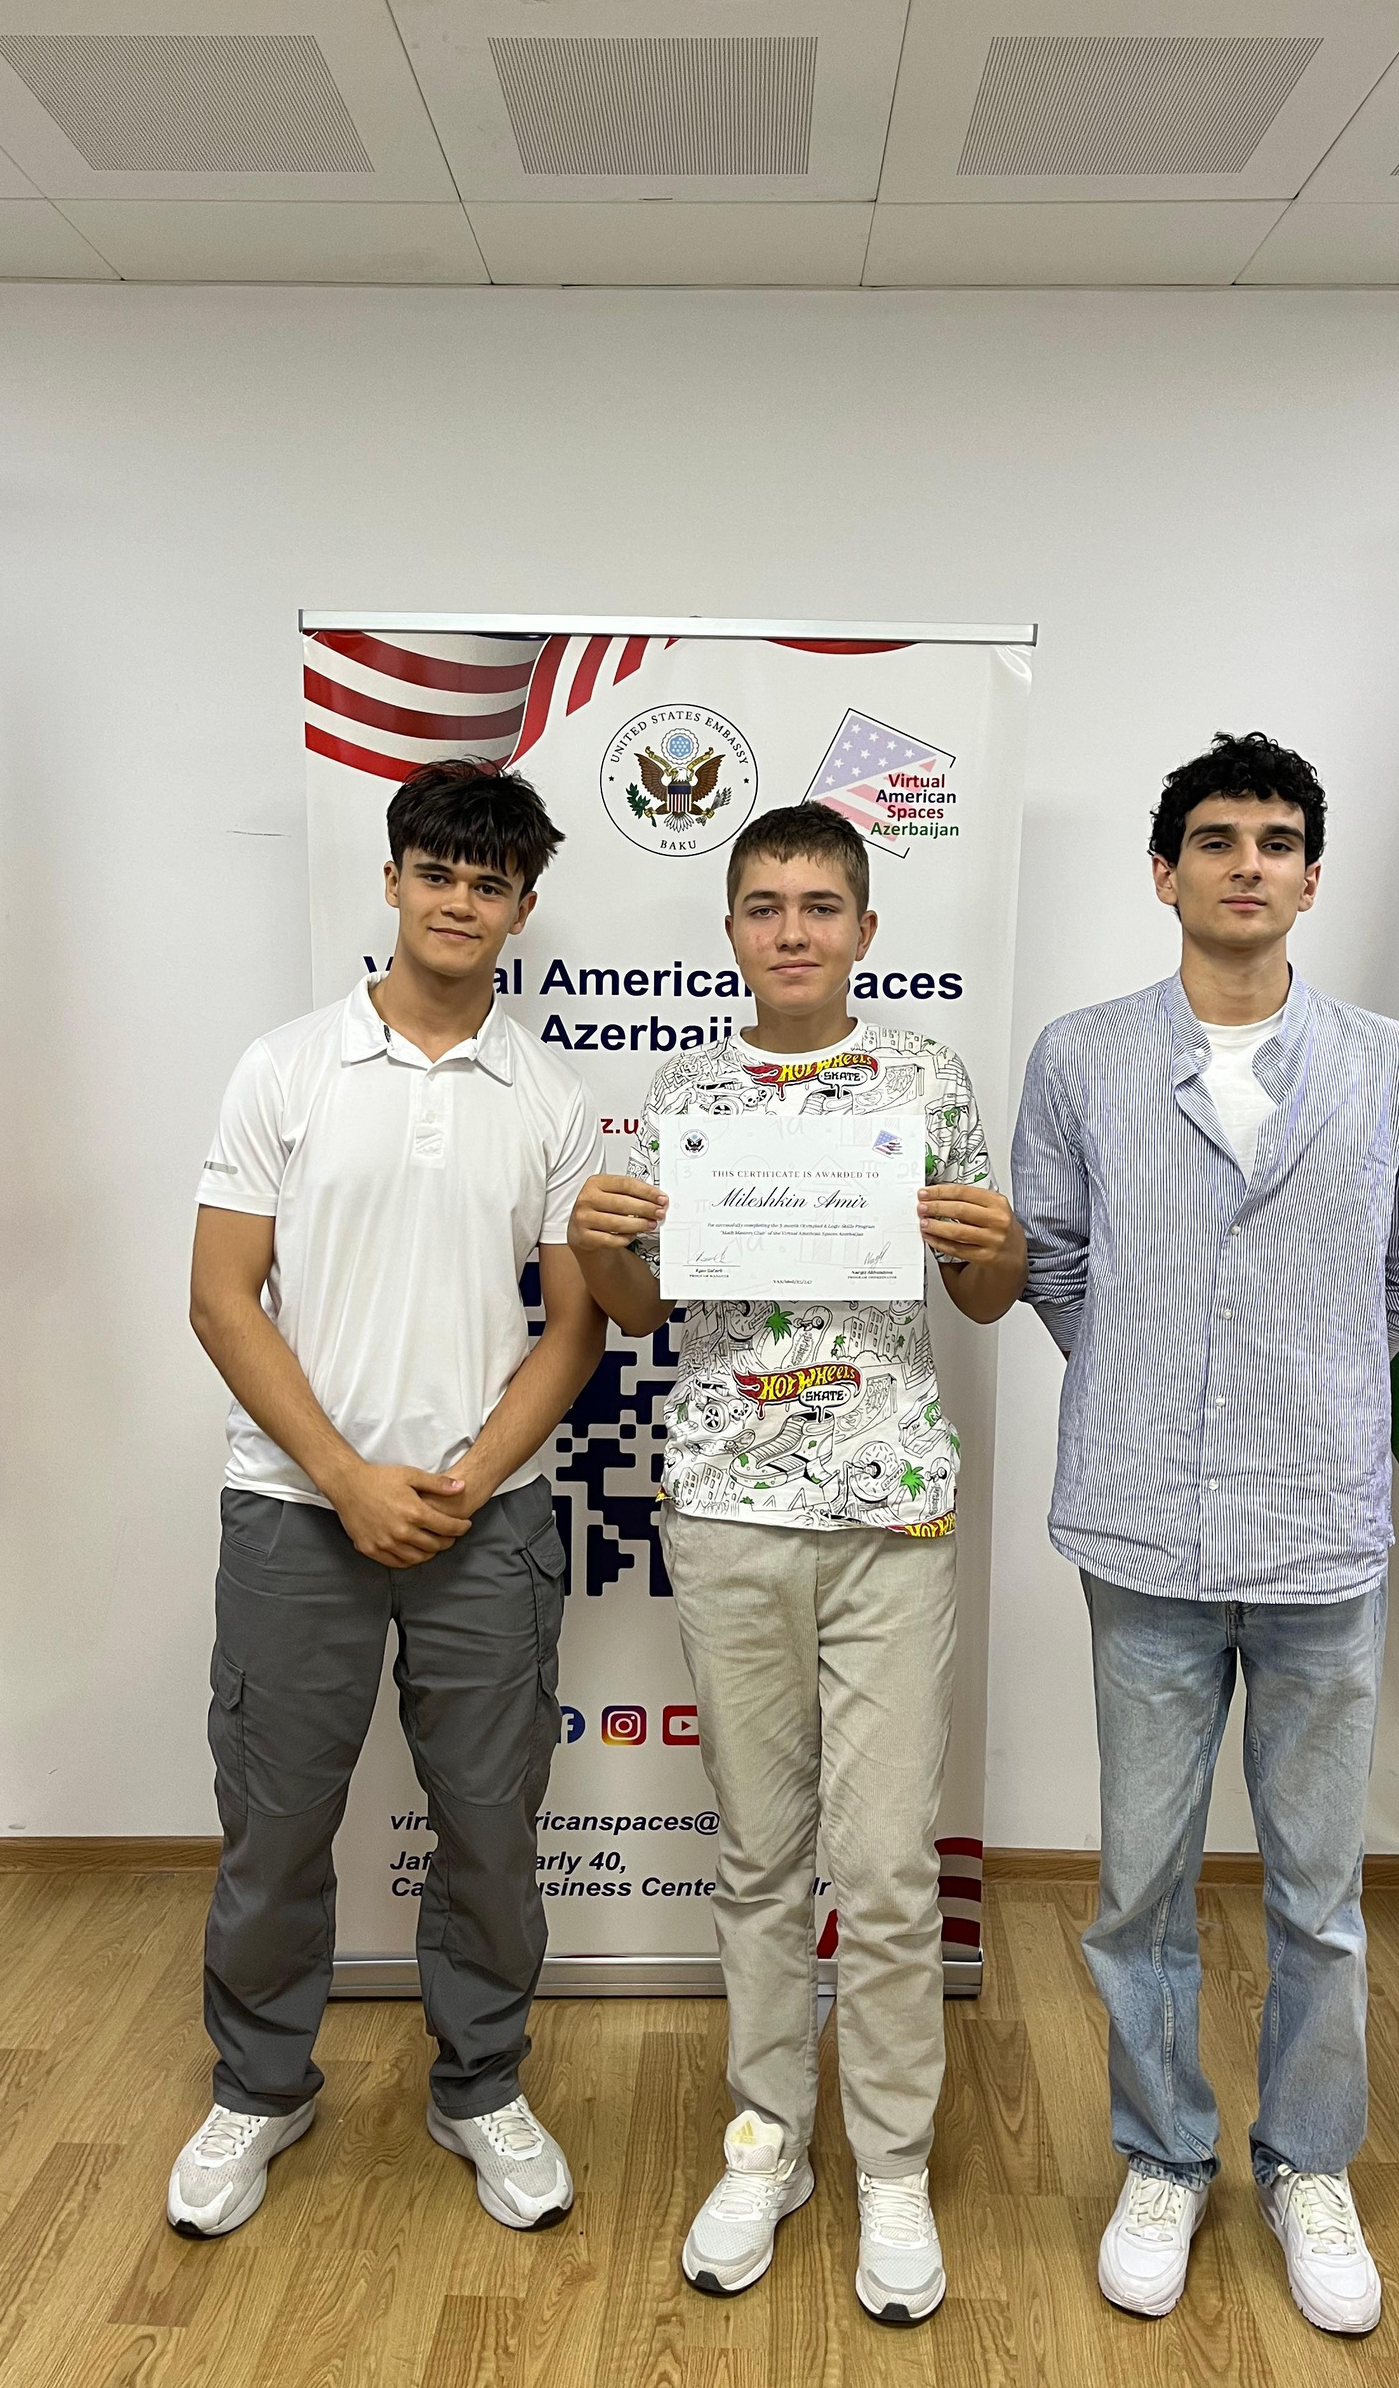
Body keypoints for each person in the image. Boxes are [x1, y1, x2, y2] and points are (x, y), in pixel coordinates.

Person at [1011, 732, 1399, 2336]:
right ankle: (1163, 2154)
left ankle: (1309, 2162)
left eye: (1276, 841)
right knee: (1138, 1880)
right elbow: (1053, 1259)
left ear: (1312, 879)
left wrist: (1298, 1387)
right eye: (1216, 840)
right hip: (1141, 1532)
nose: (1247, 864)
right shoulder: (1081, 1057)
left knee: (1319, 1891)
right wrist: (1154, 1384)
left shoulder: (1392, 1066)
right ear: (1167, 872)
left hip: (1320, 1528)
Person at [566, 801, 1026, 2329]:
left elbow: (986, 1296)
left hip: (888, 1515)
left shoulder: (925, 1081)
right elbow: (638, 1309)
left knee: (886, 1869)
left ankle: (891, 2163)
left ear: (866, 931)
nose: (792, 931)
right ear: (731, 932)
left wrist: (990, 1241)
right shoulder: (685, 1092)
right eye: (764, 906)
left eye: (820, 906)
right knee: (761, 1858)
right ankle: (767, 2139)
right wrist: (601, 1241)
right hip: (727, 1509)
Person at [169, 760, 606, 2242]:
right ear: (393, 881)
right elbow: (222, 1299)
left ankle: (481, 2087)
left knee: (488, 1824)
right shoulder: (286, 1068)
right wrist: (347, 1477)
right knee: (275, 1821)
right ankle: (259, 2088)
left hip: (489, 1518)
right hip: (296, 1511)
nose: (460, 902)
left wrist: (467, 1478)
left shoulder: (553, 1097)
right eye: (438, 874)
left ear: (523, 907)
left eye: (491, 883)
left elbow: (575, 1328)